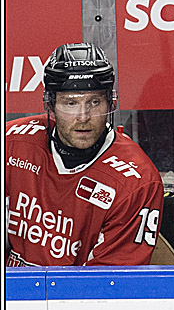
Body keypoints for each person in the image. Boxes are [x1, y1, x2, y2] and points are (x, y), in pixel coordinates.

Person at [5, 43, 163, 266]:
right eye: (70, 103)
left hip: (78, 299)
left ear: (111, 103)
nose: (83, 116)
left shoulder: (137, 181)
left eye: (94, 102)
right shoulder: (11, 143)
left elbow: (109, 286)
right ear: (50, 106)